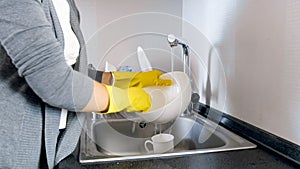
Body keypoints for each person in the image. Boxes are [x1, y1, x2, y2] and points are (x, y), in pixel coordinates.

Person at [0, 0, 171, 168]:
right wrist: (122, 99)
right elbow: (56, 83)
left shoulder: (66, 3)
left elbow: (69, 71)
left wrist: (122, 80)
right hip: (17, 144)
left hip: (57, 145)